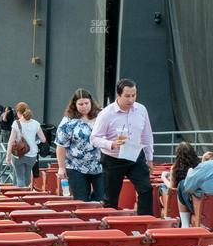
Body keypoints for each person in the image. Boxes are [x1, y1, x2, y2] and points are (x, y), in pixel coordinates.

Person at [90, 79, 156, 215]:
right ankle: (110, 226)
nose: (131, 99)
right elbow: (94, 138)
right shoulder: (106, 113)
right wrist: (111, 144)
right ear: (118, 95)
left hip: (135, 154)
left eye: (134, 95)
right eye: (127, 96)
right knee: (111, 197)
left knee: (146, 189)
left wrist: (149, 158)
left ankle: (145, 222)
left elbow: (147, 135)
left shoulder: (141, 109)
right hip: (113, 158)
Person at [55, 89, 104, 201]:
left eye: (86, 103)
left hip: (100, 165)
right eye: (80, 104)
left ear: (91, 103)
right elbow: (61, 145)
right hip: (76, 166)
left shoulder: (101, 116)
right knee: (82, 200)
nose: (84, 107)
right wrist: (61, 168)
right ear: (74, 105)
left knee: (102, 198)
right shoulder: (68, 121)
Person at [6, 101, 46, 188]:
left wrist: (8, 156)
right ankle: (26, 193)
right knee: (27, 177)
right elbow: (43, 139)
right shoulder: (36, 123)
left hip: (19, 155)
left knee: (20, 178)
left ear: (18, 112)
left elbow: (11, 141)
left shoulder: (16, 124)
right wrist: (34, 141)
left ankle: (20, 197)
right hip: (32, 155)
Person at [160, 141, 201, 226]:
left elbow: (171, 187)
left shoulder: (175, 168)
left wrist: (163, 177)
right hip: (194, 199)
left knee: (163, 187)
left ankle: (183, 224)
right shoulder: (199, 166)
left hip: (178, 200)